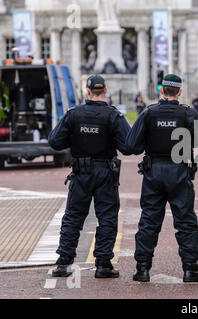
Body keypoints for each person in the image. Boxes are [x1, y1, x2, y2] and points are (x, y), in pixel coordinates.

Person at [48, 75, 132, 278]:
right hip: (105, 171)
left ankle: (63, 263)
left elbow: (55, 141)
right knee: (107, 218)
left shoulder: (73, 114)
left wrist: (75, 137)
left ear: (87, 91)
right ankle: (103, 264)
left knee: (73, 217)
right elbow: (129, 146)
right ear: (105, 91)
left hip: (80, 171)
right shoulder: (113, 115)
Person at [126, 74, 198, 283]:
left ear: (162, 90)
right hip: (179, 170)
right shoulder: (189, 114)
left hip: (154, 171)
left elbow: (132, 145)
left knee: (149, 220)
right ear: (179, 92)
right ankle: (190, 269)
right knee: (185, 221)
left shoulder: (148, 113)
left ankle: (142, 268)